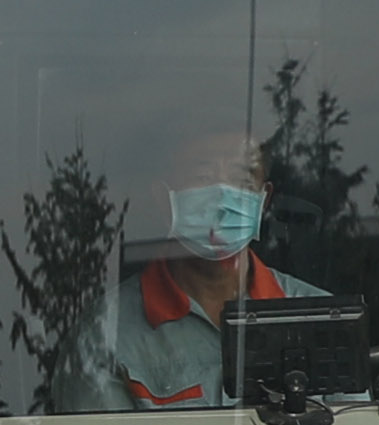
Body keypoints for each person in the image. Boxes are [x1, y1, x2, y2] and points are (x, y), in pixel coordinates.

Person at [103, 122, 328, 409]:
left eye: (242, 180)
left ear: (264, 200)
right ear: (163, 198)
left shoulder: (321, 319)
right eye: (203, 177)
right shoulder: (107, 334)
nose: (222, 197)